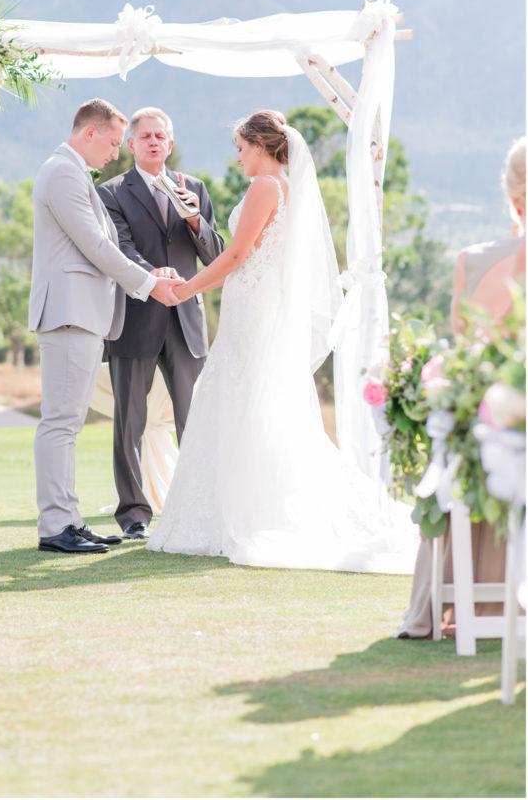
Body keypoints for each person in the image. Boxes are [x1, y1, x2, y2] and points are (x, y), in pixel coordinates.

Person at [147, 110, 418, 571]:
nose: (237, 158)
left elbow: (236, 254)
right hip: (259, 303)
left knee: (239, 395)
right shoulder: (287, 190)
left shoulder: (265, 187)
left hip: (253, 307)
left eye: (240, 147)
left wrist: (188, 290)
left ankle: (234, 515)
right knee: (251, 400)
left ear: (258, 144)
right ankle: (236, 506)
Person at [29, 99, 181, 556]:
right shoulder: (62, 172)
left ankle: (68, 520)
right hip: (69, 312)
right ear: (89, 133)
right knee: (61, 422)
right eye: (115, 142)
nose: (116, 153)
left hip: (81, 313)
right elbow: (95, 245)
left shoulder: (72, 172)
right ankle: (57, 525)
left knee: (67, 422)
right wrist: (150, 283)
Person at [395, 135, 526, 637]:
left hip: (488, 438)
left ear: (511, 197)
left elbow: (467, 350)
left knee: (463, 433)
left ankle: (452, 600)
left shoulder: (473, 261)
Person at [97, 107, 224, 539]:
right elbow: (120, 250)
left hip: (187, 321)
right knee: (128, 423)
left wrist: (194, 217)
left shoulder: (197, 189)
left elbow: (215, 254)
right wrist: (154, 278)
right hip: (135, 318)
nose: (153, 141)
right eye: (145, 136)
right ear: (130, 144)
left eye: (160, 136)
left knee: (197, 420)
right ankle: (134, 517)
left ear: (170, 144)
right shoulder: (110, 192)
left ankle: (199, 508)